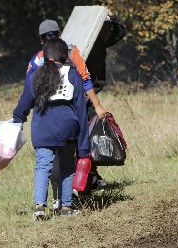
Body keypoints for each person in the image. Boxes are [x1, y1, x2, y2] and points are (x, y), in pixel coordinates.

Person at [26, 19, 108, 197]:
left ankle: (54, 198)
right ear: (60, 33)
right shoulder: (72, 52)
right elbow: (86, 80)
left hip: (45, 117)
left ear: (41, 39)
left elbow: (29, 88)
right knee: (78, 150)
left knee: (48, 160)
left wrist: (22, 114)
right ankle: (78, 190)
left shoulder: (37, 58)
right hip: (74, 112)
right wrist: (98, 106)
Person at [13, 37, 90, 219]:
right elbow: (81, 109)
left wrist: (18, 118)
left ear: (45, 55)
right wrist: (83, 145)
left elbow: (25, 102)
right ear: (65, 56)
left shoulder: (35, 75)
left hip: (42, 129)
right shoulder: (72, 74)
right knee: (67, 167)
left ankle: (39, 208)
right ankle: (66, 208)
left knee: (42, 167)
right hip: (67, 129)